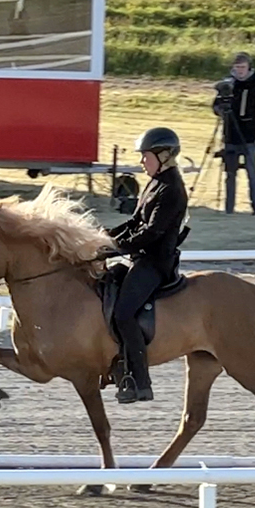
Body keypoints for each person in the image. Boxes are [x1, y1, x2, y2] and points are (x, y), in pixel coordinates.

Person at [101, 127, 189, 404]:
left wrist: (115, 248)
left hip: (154, 263)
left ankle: (139, 380)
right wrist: (103, 237)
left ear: (163, 156)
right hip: (139, 257)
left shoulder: (172, 189)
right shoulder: (155, 182)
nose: (141, 162)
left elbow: (151, 233)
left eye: (145, 156)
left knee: (124, 313)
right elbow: (134, 222)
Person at [212, 51, 255, 215]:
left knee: (252, 174)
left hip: (251, 137)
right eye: (237, 67)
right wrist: (220, 110)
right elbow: (216, 106)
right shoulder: (228, 85)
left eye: (242, 67)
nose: (239, 71)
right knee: (230, 174)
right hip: (231, 136)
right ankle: (229, 208)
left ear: (249, 68)